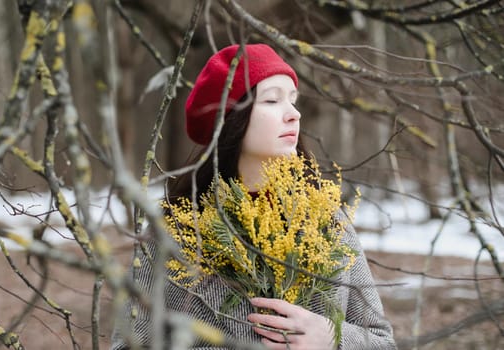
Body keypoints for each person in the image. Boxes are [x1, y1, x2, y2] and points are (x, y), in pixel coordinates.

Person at [111, 43, 397, 349]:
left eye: (293, 100)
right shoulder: (177, 230)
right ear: (231, 119)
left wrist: (333, 337)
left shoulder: (325, 219)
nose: (293, 114)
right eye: (272, 100)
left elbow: (382, 341)